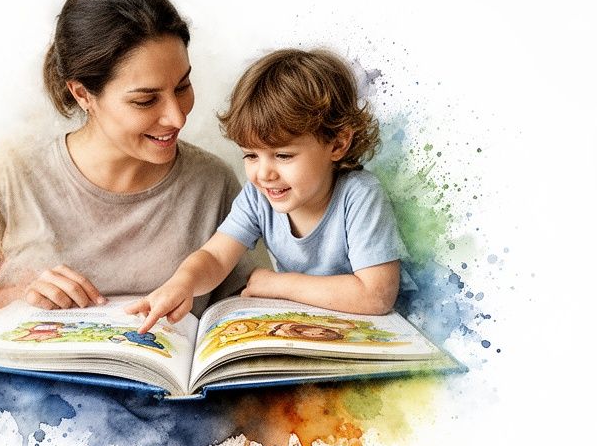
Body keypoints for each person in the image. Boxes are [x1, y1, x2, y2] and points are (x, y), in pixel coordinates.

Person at [0, 0, 257, 322]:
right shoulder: (8, 176)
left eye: (183, 86)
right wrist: (13, 299)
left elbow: (237, 314)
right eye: (145, 100)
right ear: (82, 94)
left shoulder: (213, 183)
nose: (177, 117)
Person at [127, 48, 407, 333]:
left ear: (337, 144)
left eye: (283, 156)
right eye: (251, 156)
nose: (264, 174)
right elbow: (215, 257)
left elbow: (376, 296)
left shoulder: (360, 195)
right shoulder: (258, 197)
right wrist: (182, 283)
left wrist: (276, 283)